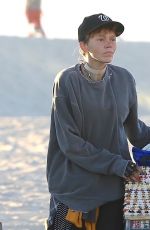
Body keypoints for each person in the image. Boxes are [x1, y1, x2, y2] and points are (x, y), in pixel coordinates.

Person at [46, 13, 150, 230]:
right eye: (101, 39)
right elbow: (70, 143)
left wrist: (122, 166)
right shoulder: (66, 80)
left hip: (114, 187)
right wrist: (118, 165)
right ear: (84, 45)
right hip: (74, 189)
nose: (109, 45)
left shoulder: (124, 79)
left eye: (112, 39)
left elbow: (136, 132)